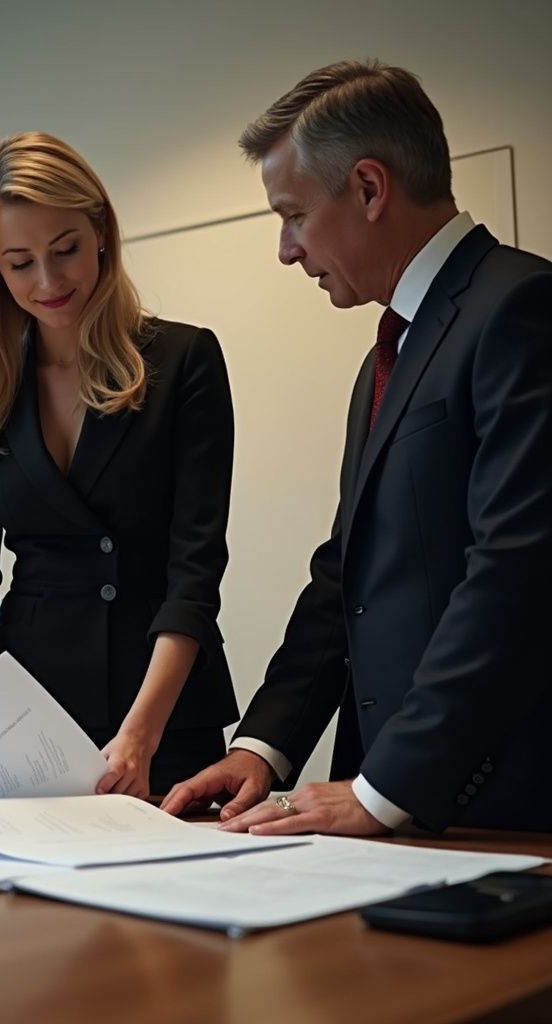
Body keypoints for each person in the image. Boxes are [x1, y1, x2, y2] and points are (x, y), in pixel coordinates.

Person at [161, 59, 552, 835]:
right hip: (402, 809)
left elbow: (517, 572)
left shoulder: (520, 310)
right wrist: (264, 749)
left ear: (369, 189)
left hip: (503, 808)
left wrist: (383, 790)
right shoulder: (392, 352)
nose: (284, 248)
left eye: (293, 215)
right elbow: (347, 575)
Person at [0, 131, 236, 816]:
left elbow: (194, 573)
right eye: (20, 263)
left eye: (66, 249)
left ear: (100, 229)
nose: (49, 282)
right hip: (27, 716)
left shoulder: (185, 361)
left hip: (163, 715)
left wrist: (140, 735)